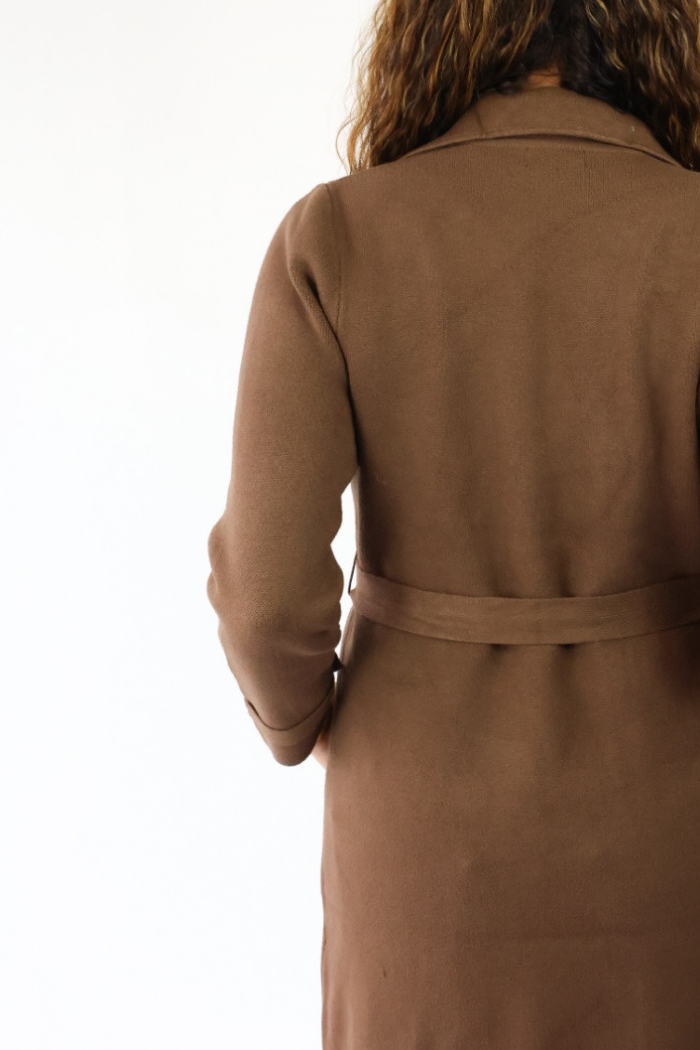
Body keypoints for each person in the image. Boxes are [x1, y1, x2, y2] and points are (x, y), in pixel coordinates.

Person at [206, 0, 700, 1045]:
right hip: (666, 828)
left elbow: (265, 599)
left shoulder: (336, 236)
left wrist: (299, 724)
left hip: (420, 842)